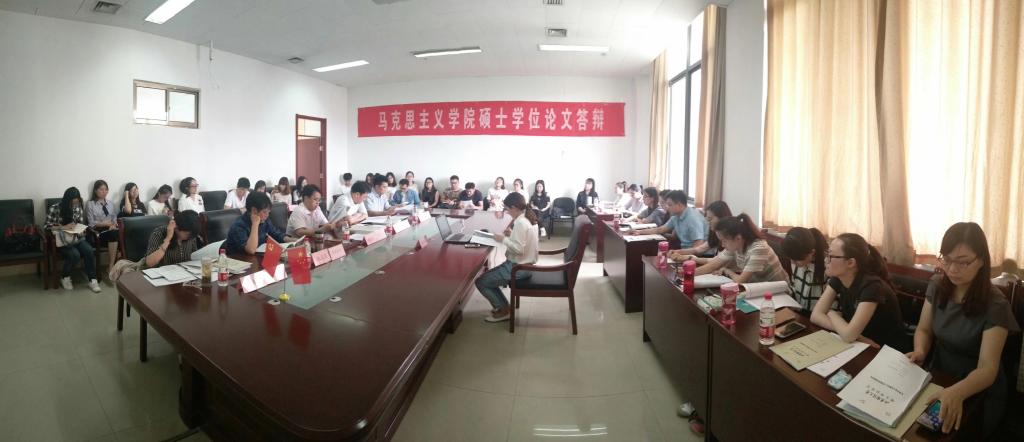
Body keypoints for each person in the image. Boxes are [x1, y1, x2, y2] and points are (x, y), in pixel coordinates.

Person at [906, 223, 1019, 437]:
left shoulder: (996, 305)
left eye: (963, 262)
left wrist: (957, 392)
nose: (952, 269)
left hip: (977, 387)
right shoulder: (938, 285)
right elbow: (924, 329)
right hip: (940, 372)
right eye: (947, 260)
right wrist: (920, 350)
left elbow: (987, 368)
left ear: (981, 260)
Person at [810, 233, 909, 351]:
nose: (825, 260)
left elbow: (848, 336)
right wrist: (854, 334)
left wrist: (831, 313)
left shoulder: (872, 286)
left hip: (886, 350)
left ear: (850, 263)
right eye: (827, 254)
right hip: (861, 343)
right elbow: (815, 316)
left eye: (831, 256)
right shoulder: (839, 277)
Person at [474, 192, 539, 323]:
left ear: (514, 207)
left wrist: (503, 239)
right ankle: (504, 307)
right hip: (524, 265)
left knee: (481, 282)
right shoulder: (527, 218)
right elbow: (523, 241)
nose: (507, 212)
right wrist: (511, 235)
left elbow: (519, 249)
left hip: (518, 268)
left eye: (507, 209)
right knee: (487, 278)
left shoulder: (521, 222)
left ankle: (504, 311)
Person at [680, 214, 788, 284]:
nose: (722, 245)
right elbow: (713, 265)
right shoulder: (735, 246)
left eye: (724, 240)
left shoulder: (758, 248)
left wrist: (727, 271)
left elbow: (740, 281)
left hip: (779, 293)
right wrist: (687, 273)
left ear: (738, 238)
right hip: (756, 289)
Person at [46, 187, 101, 292]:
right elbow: (47, 227)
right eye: (73, 203)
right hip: (63, 240)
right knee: (75, 254)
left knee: (89, 250)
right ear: (67, 201)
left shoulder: (78, 207)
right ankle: (65, 277)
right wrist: (63, 227)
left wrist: (81, 230)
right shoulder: (54, 208)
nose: (75, 206)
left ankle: (92, 280)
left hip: (77, 238)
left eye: (77, 203)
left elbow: (79, 223)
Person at [631, 190, 706, 250]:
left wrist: (682, 256)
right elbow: (660, 229)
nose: (667, 207)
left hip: (700, 255)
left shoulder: (693, 218)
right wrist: (639, 232)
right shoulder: (676, 216)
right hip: (685, 251)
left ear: (679, 205)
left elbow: (698, 245)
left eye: (670, 205)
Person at [782, 227, 830, 312]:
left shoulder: (827, 267)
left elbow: (831, 304)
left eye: (797, 260)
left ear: (812, 253)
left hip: (816, 315)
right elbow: (795, 287)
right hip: (799, 312)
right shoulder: (796, 259)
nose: (793, 263)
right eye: (791, 259)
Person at [85, 180, 119, 258]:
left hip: (111, 229)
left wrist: (113, 225)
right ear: (95, 190)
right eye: (101, 189)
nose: (104, 192)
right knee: (114, 234)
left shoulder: (110, 203)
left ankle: (120, 261)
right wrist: (105, 224)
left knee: (119, 233)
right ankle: (112, 264)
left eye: (106, 189)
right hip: (98, 231)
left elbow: (114, 218)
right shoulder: (90, 204)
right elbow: (91, 223)